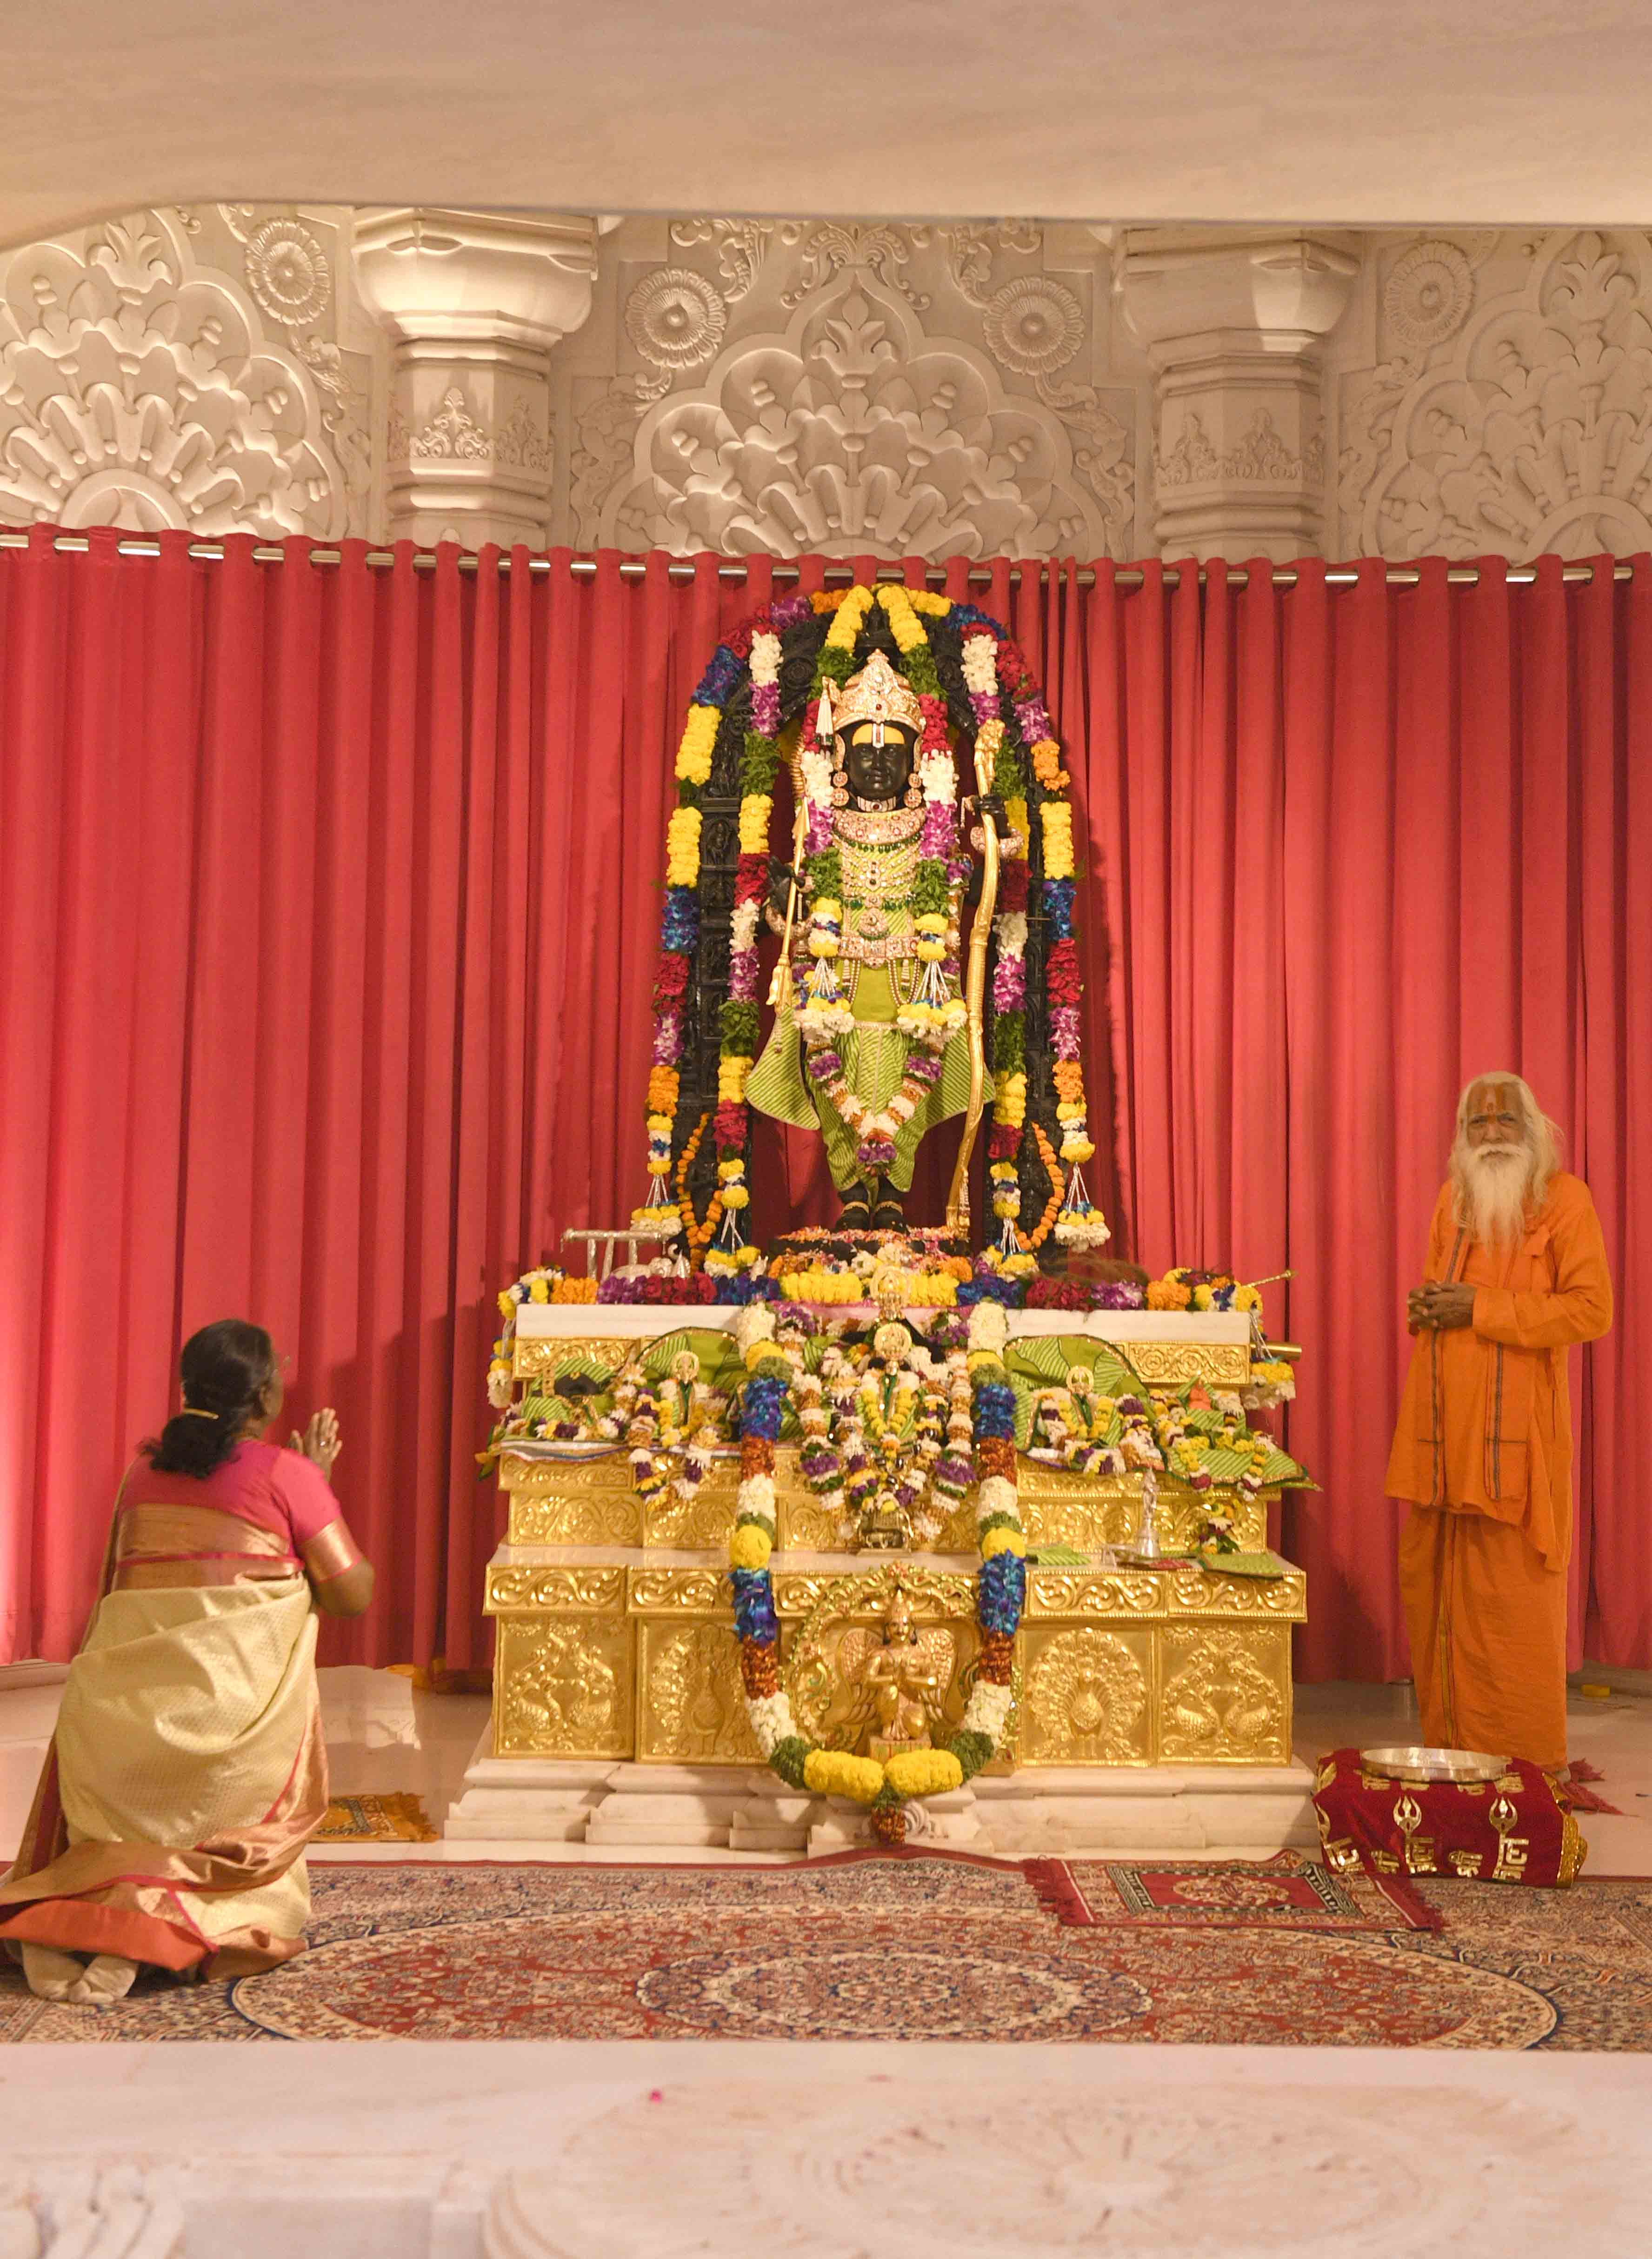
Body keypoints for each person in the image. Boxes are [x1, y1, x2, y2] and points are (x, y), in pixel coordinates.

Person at [0, 1319, 372, 2005]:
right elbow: (352, 1595)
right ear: (264, 1396)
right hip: (223, 1764)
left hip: (115, 1752)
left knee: (117, 1847)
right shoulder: (287, 1474)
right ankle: (162, 1927)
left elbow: (119, 1592)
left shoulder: (140, 1475)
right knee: (265, 1900)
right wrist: (314, 1488)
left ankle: (99, 1918)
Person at [1386, 1074, 1612, 1772]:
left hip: (1517, 1450)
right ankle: (1451, 1755)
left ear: (1533, 1126)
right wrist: (1429, 1308)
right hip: (1439, 1439)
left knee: (1511, 1606)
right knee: (1437, 1591)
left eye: (1504, 1120)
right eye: (1477, 1123)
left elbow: (1589, 1311)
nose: (1491, 1134)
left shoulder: (1563, 1201)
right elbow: (1440, 1297)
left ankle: (1523, 1767)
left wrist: (1478, 1308)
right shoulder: (1453, 1200)